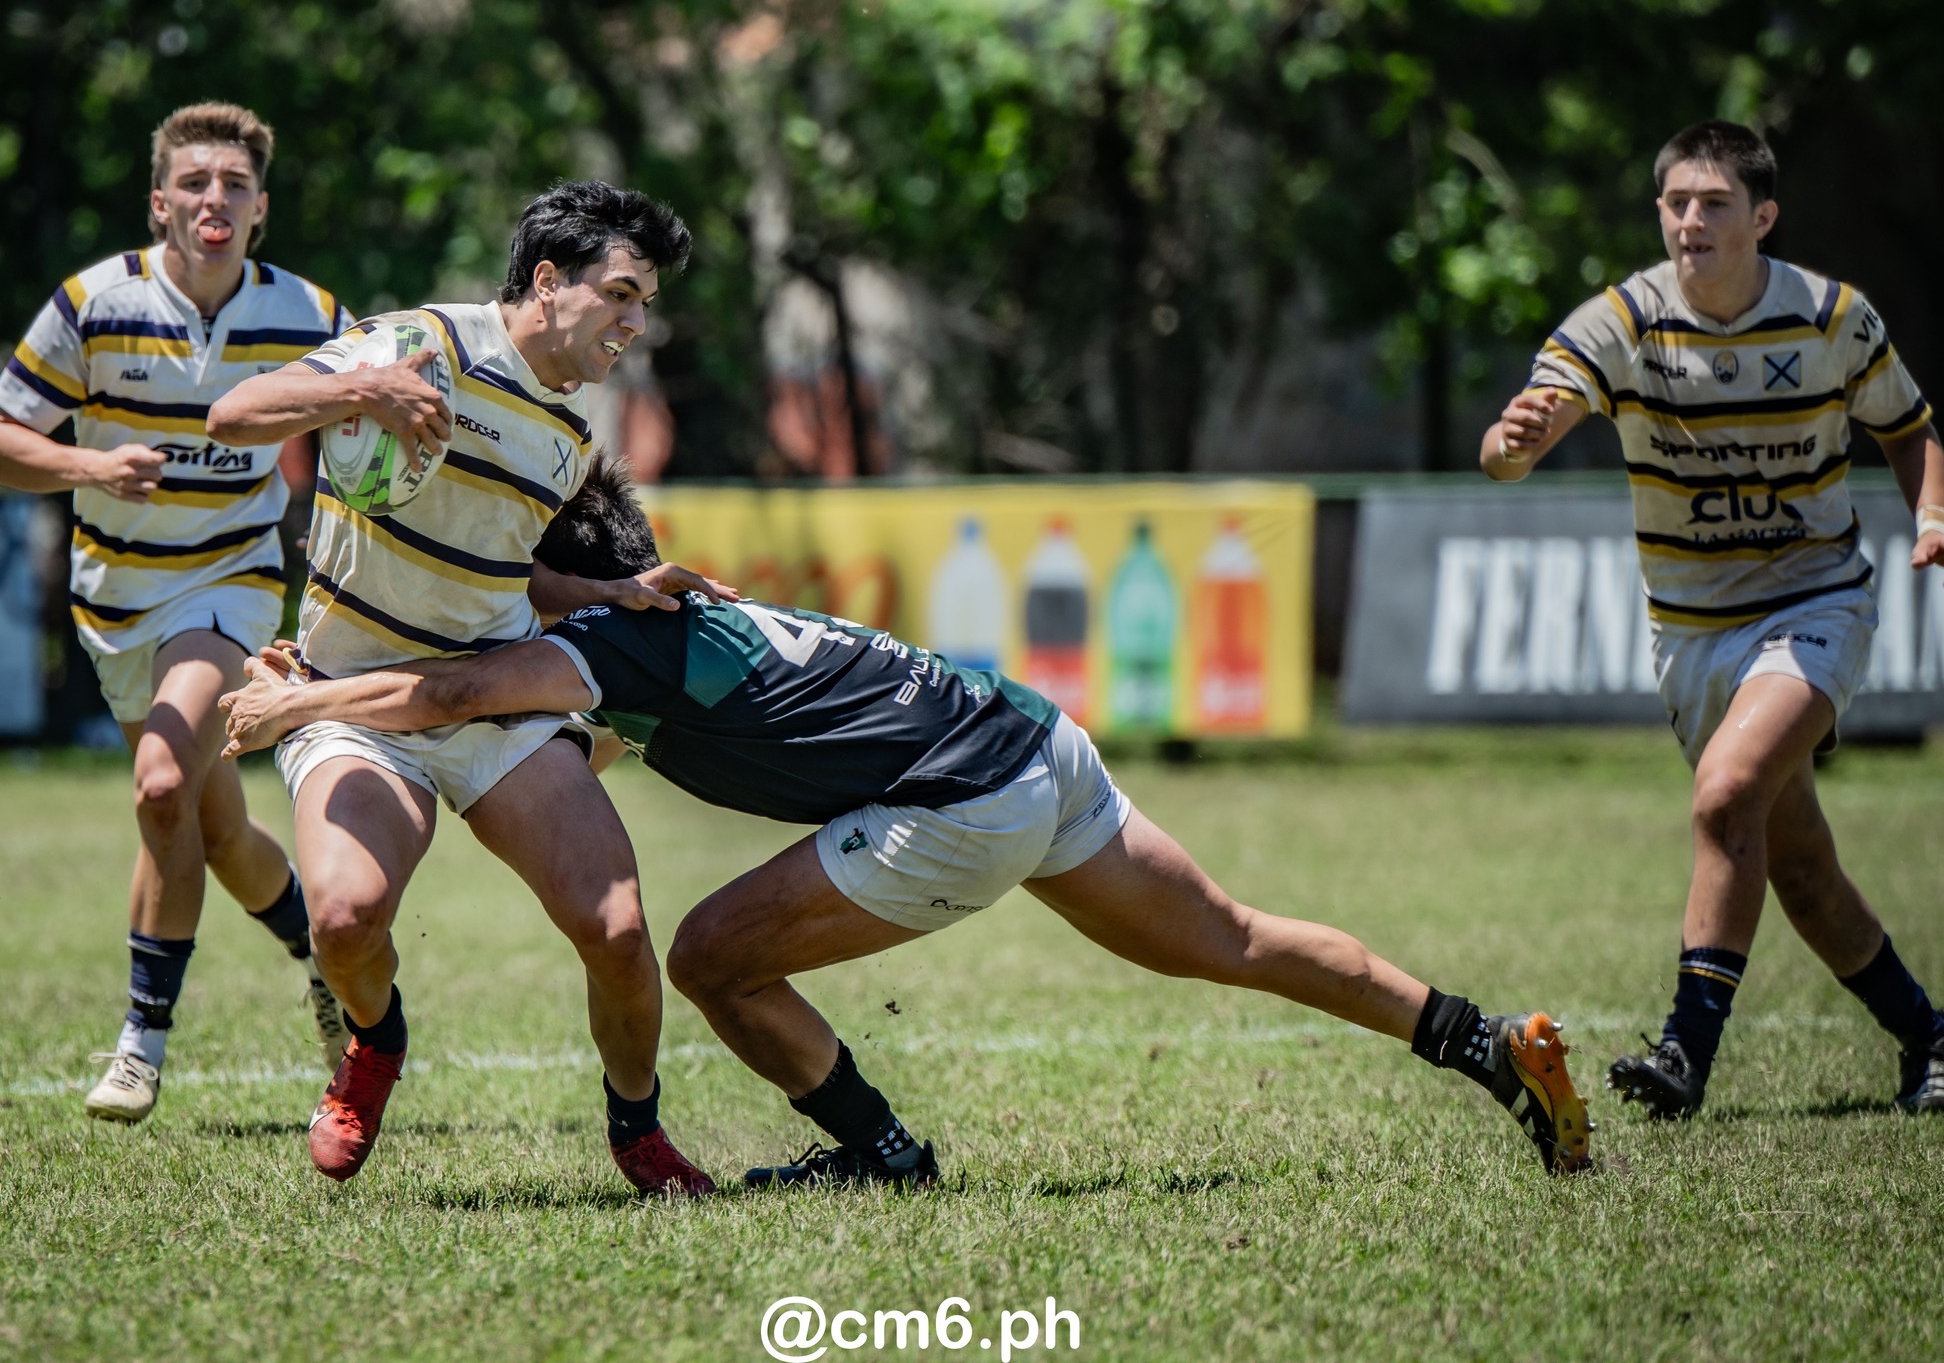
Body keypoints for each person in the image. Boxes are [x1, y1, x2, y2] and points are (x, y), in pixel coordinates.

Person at [222, 459, 1597, 1181]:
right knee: (1226, 936)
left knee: (706, 955)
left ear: (567, 579)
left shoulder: (618, 636)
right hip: (1036, 744)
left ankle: (882, 1155)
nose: (499, 588)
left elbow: (467, 687)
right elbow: (538, 718)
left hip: (960, 800)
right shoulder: (670, 617)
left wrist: (304, 705)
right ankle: (1487, 1043)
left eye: (516, 569)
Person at [206, 182, 724, 1194]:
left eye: (645, 303)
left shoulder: (569, 435)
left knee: (616, 927)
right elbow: (235, 413)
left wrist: (607, 589)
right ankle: (373, 1041)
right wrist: (364, 392)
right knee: (347, 918)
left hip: (488, 700)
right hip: (356, 698)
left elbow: (504, 567)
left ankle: (638, 1129)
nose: (634, 321)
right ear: (546, 281)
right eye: (621, 294)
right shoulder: (422, 339)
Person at [1482, 119, 1944, 1119]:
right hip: (1687, 630)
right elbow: (1530, 423)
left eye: (1713, 203)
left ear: (1760, 216)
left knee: (1722, 793)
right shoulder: (1619, 320)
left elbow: (1908, 430)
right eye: (1674, 203)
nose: (1689, 220)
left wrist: (1931, 513)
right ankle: (1930, 1037)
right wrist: (1511, 443)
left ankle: (1683, 1054)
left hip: (1814, 599)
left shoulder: (1829, 316)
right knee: (1801, 867)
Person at [0, 101, 353, 1124]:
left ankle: (141, 1042)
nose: (212, 199)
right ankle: (332, 963)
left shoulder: (312, 315)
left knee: (157, 785)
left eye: (232, 185)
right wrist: (90, 462)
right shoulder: (91, 302)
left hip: (226, 582)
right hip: (113, 598)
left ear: (259, 208)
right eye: (194, 183)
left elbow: (372, 417)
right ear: (160, 202)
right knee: (216, 828)